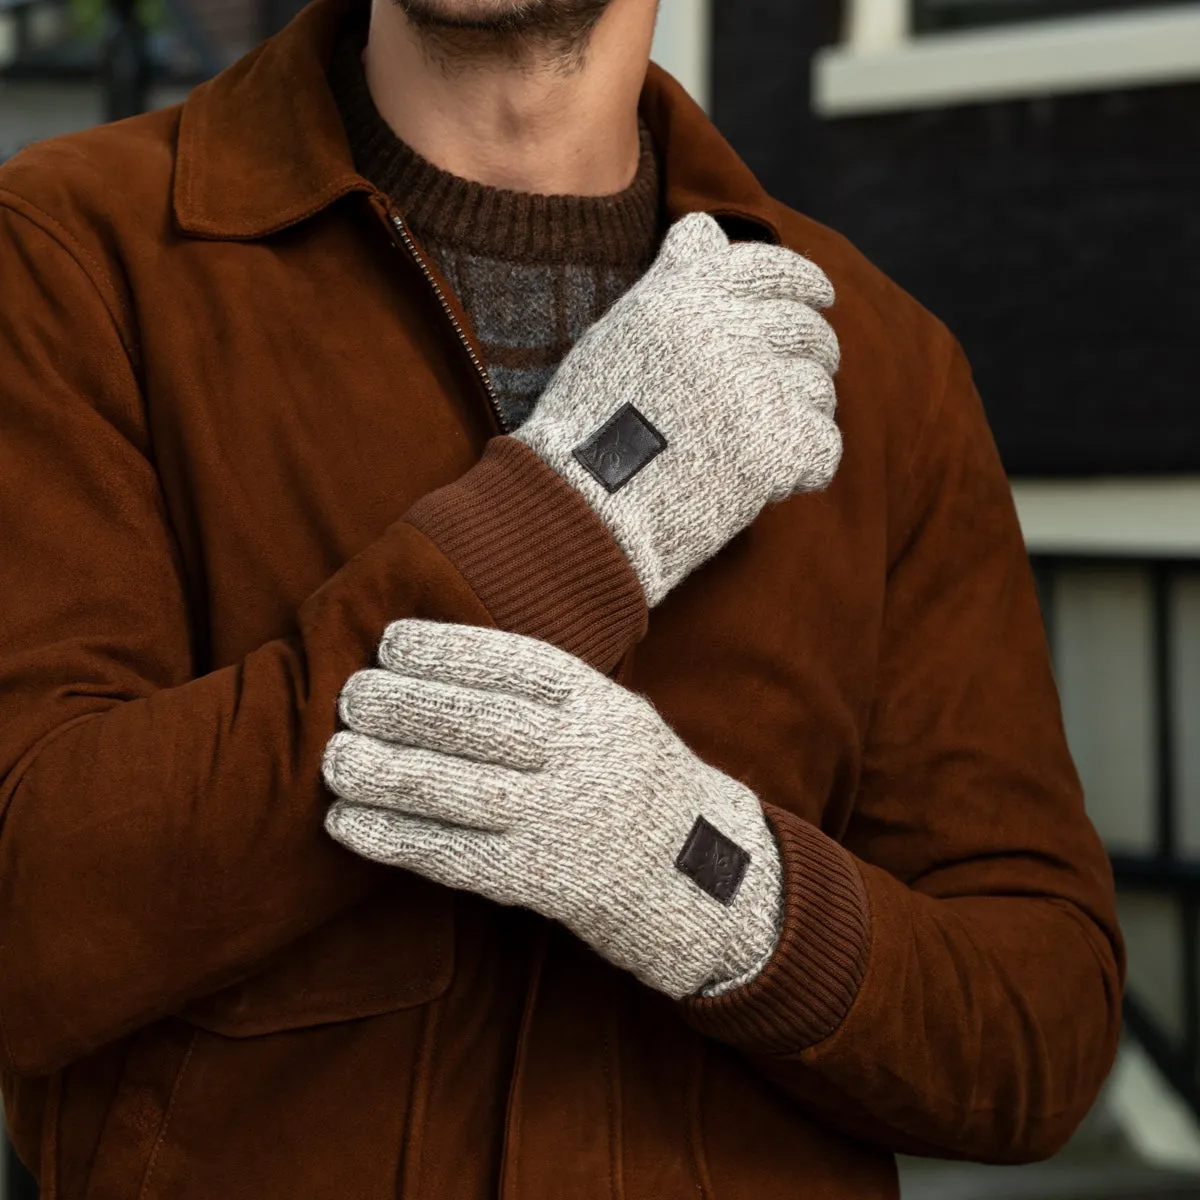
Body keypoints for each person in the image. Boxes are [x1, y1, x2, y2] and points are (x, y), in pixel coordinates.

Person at [0, 0, 1124, 1195]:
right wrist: (581, 515)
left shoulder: (882, 367)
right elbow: (28, 912)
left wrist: (700, 876)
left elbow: (1040, 1024)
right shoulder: (75, 254)